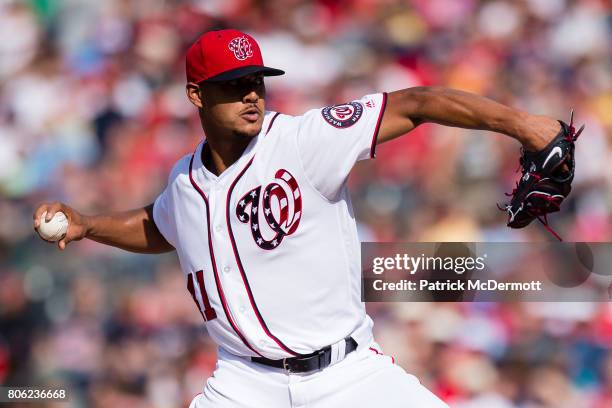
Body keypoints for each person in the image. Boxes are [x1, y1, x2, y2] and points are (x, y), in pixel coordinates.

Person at [34, 29, 563, 407]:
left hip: (348, 376)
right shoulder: (184, 181)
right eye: (234, 84)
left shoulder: (302, 142)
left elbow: (417, 102)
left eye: (257, 81)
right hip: (243, 386)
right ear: (196, 95)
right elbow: (161, 226)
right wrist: (88, 224)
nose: (251, 94)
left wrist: (525, 125)